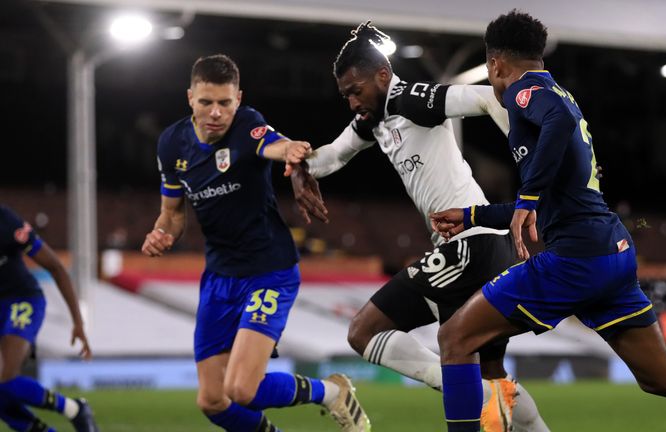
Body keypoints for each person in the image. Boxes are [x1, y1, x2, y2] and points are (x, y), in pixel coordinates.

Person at [430, 10, 666, 432]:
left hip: (576, 259)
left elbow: (555, 129)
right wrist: (470, 216)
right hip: (611, 252)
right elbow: (546, 202)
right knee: (660, 375)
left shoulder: (525, 92)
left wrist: (529, 196)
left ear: (496, 64)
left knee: (455, 339)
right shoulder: (560, 93)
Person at [290, 22, 549, 432]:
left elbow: (487, 98)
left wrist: (533, 159)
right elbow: (331, 157)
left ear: (382, 75)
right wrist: (299, 169)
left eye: (356, 90)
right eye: (345, 96)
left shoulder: (413, 98)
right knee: (494, 374)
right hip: (488, 246)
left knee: (363, 332)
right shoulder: (373, 120)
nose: (352, 102)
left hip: (470, 244)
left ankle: (471, 394)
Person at [141, 54, 369, 432]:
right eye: (206, 102)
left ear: (238, 98)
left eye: (225, 103)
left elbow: (274, 145)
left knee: (242, 389)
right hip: (219, 278)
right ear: (189, 98)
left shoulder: (247, 124)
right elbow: (173, 213)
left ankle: (330, 392)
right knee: (213, 401)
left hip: (269, 271)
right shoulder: (172, 144)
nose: (216, 112)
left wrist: (293, 150)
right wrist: (162, 231)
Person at [0, 204, 98, 432]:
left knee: (6, 380)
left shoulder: (6, 222)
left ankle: (73, 408)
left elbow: (55, 267)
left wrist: (78, 322)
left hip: (22, 300)